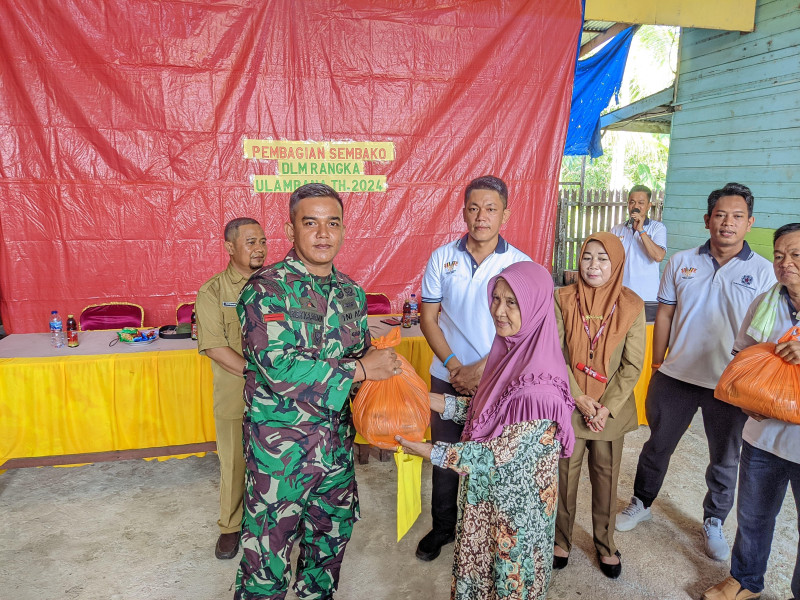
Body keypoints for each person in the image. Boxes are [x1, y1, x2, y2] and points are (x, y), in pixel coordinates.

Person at [234, 183, 399, 600]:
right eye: (311, 223)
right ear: (291, 230)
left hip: (336, 452)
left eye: (333, 223)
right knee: (265, 565)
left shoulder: (351, 293)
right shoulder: (267, 289)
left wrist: (390, 385)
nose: (323, 234)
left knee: (326, 556)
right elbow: (278, 367)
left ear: (343, 229)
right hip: (280, 456)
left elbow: (362, 359)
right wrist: (363, 369)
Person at [615, 183, 776, 562]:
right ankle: (642, 501)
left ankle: (714, 520)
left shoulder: (764, 272)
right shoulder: (681, 261)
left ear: (749, 222)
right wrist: (658, 364)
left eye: (737, 216)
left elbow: (767, 333)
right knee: (657, 445)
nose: (727, 223)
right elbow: (665, 314)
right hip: (676, 376)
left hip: (730, 384)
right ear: (707, 220)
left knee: (725, 457)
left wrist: (754, 385)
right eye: (720, 215)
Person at [398, 261, 575, 600]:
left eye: (512, 303)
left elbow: (493, 455)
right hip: (486, 503)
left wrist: (426, 450)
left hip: (514, 519)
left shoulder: (541, 389)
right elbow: (489, 412)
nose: (499, 311)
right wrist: (426, 399)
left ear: (535, 307)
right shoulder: (510, 356)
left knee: (504, 585)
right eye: (496, 298)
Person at [416, 175, 531, 562]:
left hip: (501, 379)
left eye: (491, 209)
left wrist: (483, 369)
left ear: (505, 215)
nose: (482, 216)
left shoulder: (519, 264)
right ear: (464, 212)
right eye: (474, 208)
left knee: (496, 457)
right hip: (447, 375)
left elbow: (525, 329)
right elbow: (429, 318)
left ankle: (488, 530)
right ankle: (443, 527)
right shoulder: (441, 258)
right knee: (445, 456)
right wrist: (454, 367)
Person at [702, 223, 800, 600]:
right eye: (779, 255)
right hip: (762, 436)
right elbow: (741, 359)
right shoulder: (764, 304)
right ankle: (744, 580)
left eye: (795, 255)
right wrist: (744, 399)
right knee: (753, 516)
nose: (785, 263)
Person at [552, 232, 645, 578]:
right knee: (564, 477)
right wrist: (577, 395)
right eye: (587, 257)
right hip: (569, 404)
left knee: (606, 480)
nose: (593, 265)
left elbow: (632, 365)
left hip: (609, 413)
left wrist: (605, 407)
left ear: (616, 263)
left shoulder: (632, 305)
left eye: (603, 259)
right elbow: (554, 351)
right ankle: (561, 539)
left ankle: (605, 544)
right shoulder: (562, 298)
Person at [196, 217, 267, 559]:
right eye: (251, 242)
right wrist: (262, 376)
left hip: (281, 398)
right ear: (229, 247)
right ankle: (230, 526)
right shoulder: (213, 292)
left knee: (277, 462)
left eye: (263, 242)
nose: (259, 249)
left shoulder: (278, 285)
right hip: (235, 395)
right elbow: (215, 347)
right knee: (235, 463)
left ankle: (275, 521)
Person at [610, 185, 667, 319]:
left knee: (645, 332)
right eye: (632, 202)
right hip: (621, 296)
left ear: (648, 206)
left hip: (647, 297)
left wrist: (641, 230)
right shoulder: (617, 230)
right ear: (628, 204)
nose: (636, 206)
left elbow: (658, 256)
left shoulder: (657, 228)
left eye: (641, 203)